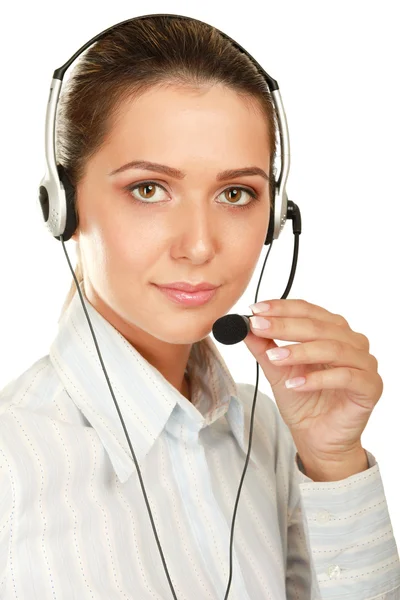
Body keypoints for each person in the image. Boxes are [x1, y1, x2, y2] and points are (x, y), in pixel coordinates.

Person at [0, 14, 399, 600]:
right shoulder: (13, 462)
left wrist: (334, 464)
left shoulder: (275, 435)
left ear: (273, 216)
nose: (200, 246)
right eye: (149, 189)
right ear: (62, 204)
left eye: (235, 194)